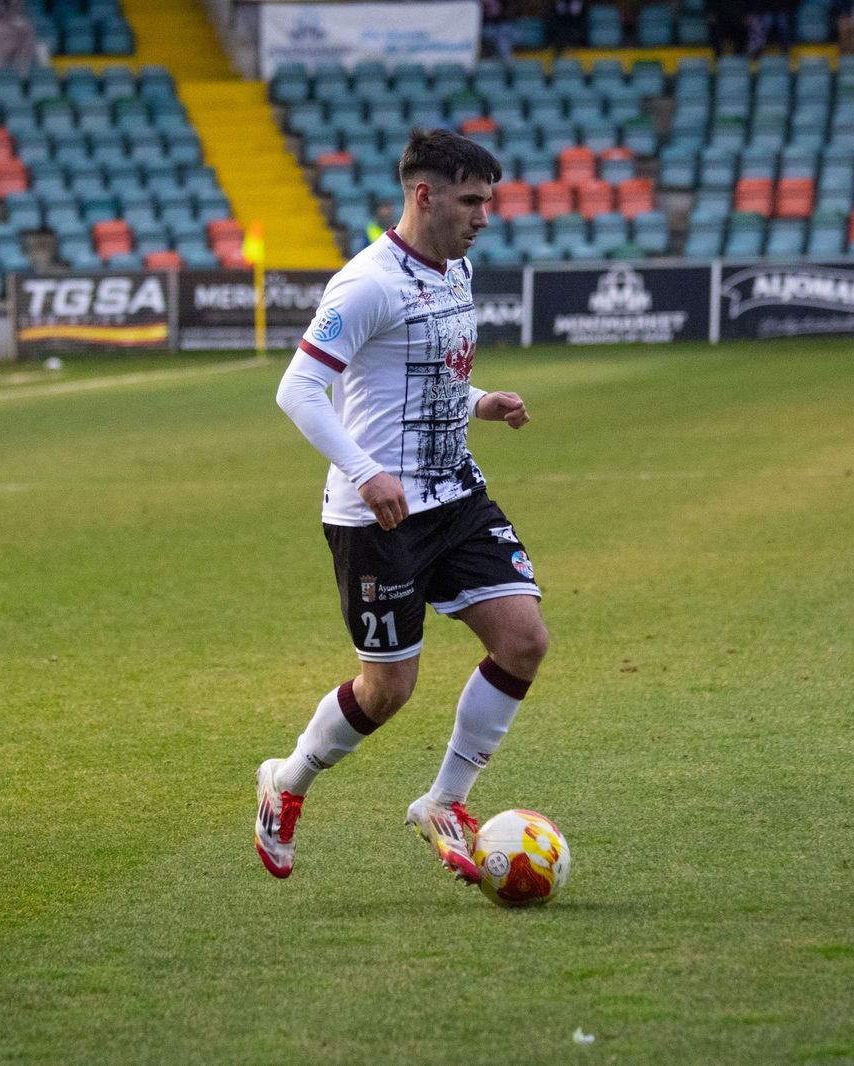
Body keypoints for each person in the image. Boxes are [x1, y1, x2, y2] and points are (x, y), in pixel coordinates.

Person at [259, 128, 549, 883]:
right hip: (378, 516)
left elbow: (432, 377)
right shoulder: (366, 284)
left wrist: (480, 402)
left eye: (488, 200)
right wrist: (364, 472)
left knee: (522, 640)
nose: (484, 215)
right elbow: (297, 389)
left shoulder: (458, 270)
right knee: (388, 688)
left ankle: (445, 801)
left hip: (454, 492)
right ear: (424, 194)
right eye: (471, 200)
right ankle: (286, 783)